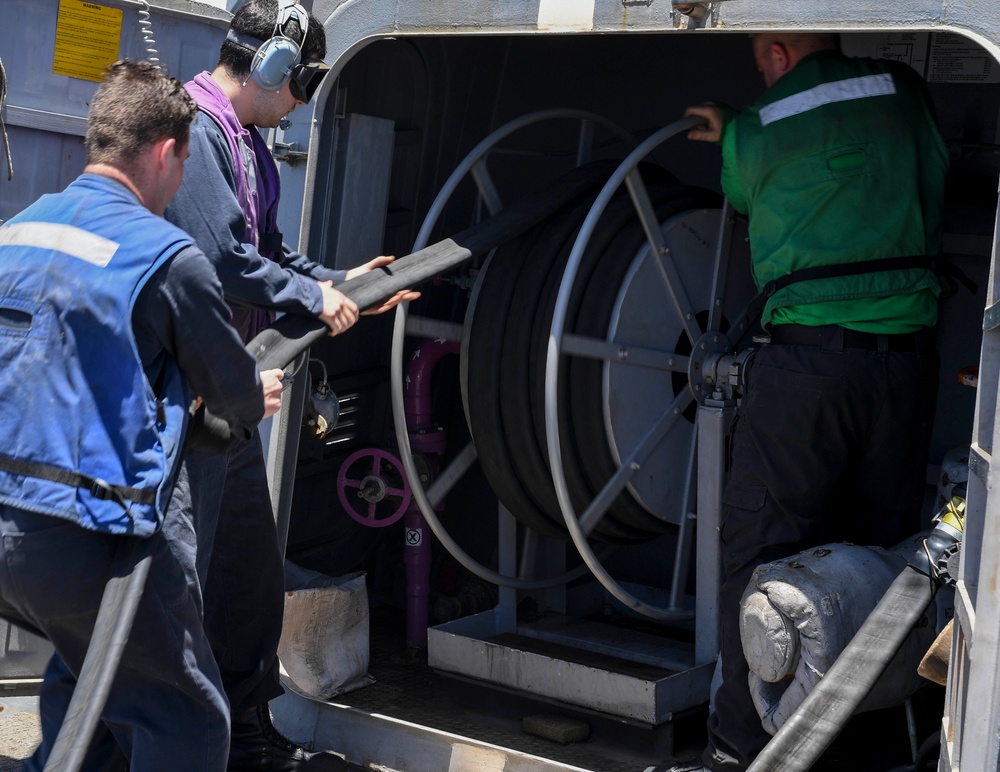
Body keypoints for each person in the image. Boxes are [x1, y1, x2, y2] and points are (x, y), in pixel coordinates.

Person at [648, 33, 948, 772]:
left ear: (778, 51)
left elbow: (744, 193)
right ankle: (870, 743)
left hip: (806, 370)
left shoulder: (761, 127)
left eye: (759, 62)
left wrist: (735, 124)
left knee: (760, 555)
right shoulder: (905, 93)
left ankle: (742, 750)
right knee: (884, 561)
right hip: (907, 369)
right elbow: (933, 180)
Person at [0, 60, 284, 771]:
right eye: (184, 166)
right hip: (91, 540)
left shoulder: (17, 231)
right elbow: (235, 393)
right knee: (185, 725)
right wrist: (255, 392)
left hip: (8, 533)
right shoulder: (168, 257)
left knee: (90, 709)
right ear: (166, 153)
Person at [164, 2, 416, 769]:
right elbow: (225, 260)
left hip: (230, 408)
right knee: (182, 585)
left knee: (247, 578)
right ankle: (174, 741)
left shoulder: (251, 148)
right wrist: (314, 299)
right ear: (274, 69)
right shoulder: (196, 133)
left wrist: (346, 281)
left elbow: (271, 252)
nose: (303, 104)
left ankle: (246, 730)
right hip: (186, 403)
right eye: (304, 85)